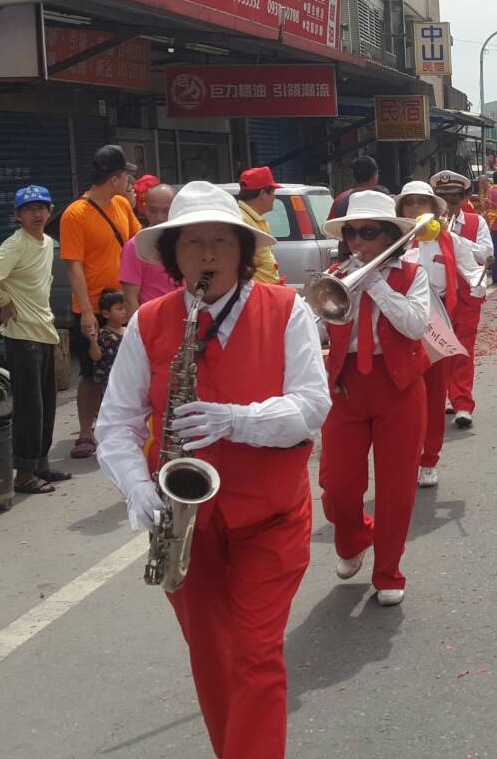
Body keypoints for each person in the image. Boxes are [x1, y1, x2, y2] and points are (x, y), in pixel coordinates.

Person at [95, 181, 330, 759]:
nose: (207, 256)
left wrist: (235, 420)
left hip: (269, 517)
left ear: (243, 251)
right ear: (173, 256)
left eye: (220, 242)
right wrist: (134, 488)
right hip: (186, 524)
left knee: (255, 654)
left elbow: (310, 407)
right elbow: (116, 425)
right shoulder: (150, 322)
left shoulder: (286, 309)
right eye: (192, 243)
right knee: (212, 659)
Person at [317, 190, 433, 606]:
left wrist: (377, 285)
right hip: (347, 387)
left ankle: (388, 571)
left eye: (368, 233)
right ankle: (353, 538)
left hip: (398, 386)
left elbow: (415, 326)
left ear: (389, 236)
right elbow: (320, 328)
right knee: (337, 488)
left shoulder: (412, 273)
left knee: (396, 487)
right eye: (352, 233)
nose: (358, 242)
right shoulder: (334, 272)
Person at [0, 184, 66, 494]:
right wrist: (2, 301)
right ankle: (24, 473)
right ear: (18, 216)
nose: (37, 213)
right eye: (29, 209)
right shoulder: (16, 244)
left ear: (50, 211)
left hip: (44, 331)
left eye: (42, 207)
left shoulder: (48, 243)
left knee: (47, 403)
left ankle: (40, 464)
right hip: (22, 335)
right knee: (30, 407)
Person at [397, 181, 486, 489]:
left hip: (438, 326)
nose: (416, 209)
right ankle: (404, 457)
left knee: (434, 400)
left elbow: (471, 268)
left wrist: (477, 281)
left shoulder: (451, 241)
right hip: (401, 329)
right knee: (403, 401)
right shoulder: (391, 241)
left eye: (423, 203)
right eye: (410, 203)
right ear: (401, 210)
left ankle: (428, 460)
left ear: (435, 209)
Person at [59, 144, 140, 458]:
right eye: (125, 176)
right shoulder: (75, 214)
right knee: (91, 375)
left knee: (128, 371)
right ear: (115, 178)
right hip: (94, 307)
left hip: (124, 304)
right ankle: (85, 432)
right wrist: (87, 313)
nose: (128, 183)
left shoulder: (121, 204)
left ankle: (122, 427)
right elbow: (73, 266)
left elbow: (136, 244)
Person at [432, 170, 489, 428]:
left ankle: (463, 404)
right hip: (436, 296)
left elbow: (486, 254)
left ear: (464, 197)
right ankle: (446, 395)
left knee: (463, 351)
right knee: (438, 349)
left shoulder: (476, 223)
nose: (448, 204)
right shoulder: (426, 226)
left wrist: (454, 239)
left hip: (466, 296)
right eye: (442, 198)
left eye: (454, 198)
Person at [120, 182, 181, 313]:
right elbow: (130, 299)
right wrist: (138, 331)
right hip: (153, 323)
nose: (160, 217)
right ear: (145, 209)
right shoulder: (135, 246)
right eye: (153, 210)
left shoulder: (187, 242)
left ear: (177, 209)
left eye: (167, 211)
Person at [330, 156, 385, 261]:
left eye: (368, 233)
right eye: (349, 233)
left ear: (354, 177)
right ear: (375, 176)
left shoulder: (340, 199)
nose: (357, 241)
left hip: (345, 257)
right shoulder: (382, 199)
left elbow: (334, 232)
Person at [235, 167, 283, 285]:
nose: (274, 197)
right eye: (273, 192)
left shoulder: (251, 218)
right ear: (263, 194)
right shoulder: (242, 221)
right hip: (255, 294)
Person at [91, 289, 127, 389]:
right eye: (119, 309)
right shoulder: (103, 333)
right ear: (106, 314)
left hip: (127, 378)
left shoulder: (129, 330)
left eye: (125, 308)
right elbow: (96, 357)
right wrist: (93, 341)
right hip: (110, 382)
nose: (124, 312)